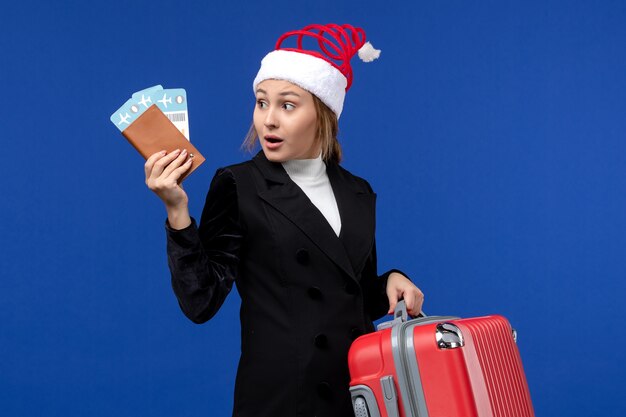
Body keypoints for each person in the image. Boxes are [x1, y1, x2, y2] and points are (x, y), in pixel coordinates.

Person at [144, 23, 424, 417]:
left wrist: (391, 280)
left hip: (358, 395)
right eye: (261, 103)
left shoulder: (358, 192)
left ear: (323, 113)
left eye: (287, 105)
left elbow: (347, 297)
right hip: (281, 400)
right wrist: (177, 211)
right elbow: (200, 301)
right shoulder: (239, 184)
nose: (268, 120)